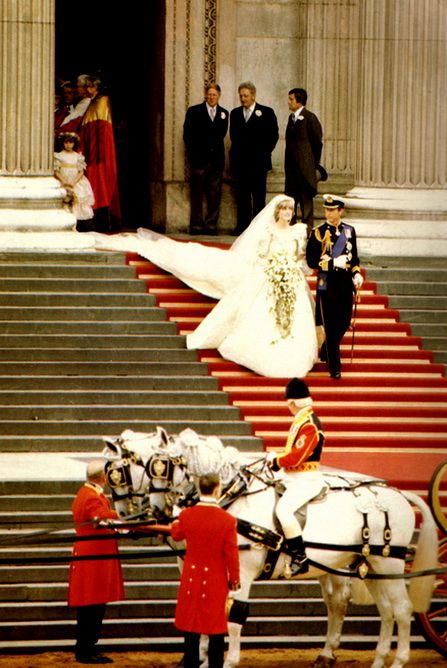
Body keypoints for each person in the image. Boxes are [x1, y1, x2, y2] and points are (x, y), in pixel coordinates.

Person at [90, 194, 318, 378]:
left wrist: (291, 269)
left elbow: (301, 259)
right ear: (277, 212)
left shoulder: (297, 233)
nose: (288, 213)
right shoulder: (268, 232)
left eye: (290, 210)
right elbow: (261, 257)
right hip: (269, 276)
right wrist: (275, 268)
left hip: (291, 280)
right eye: (285, 209)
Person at [170, 473, 240, 668]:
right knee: (216, 630)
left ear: (200, 489)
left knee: (191, 628)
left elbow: (176, 534)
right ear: (218, 490)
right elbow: (232, 555)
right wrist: (234, 581)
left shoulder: (187, 515)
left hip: (192, 578)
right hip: (215, 580)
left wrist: (177, 517)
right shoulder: (227, 520)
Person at [68, 460, 124, 664]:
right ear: (103, 476)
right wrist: (124, 516)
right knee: (92, 606)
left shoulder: (89, 493)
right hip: (94, 558)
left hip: (95, 556)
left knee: (93, 605)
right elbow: (101, 517)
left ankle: (88, 646)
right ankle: (85, 648)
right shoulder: (91, 496)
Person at [267, 378, 325, 576]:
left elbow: (297, 456)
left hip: (306, 479)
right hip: (294, 476)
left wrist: (276, 460)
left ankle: (300, 557)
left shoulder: (309, 424)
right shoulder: (301, 420)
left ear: (292, 402)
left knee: (283, 510)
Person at [306, 194, 364, 379]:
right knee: (330, 324)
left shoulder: (349, 231)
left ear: (341, 211)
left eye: (332, 210)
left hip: (345, 282)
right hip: (326, 281)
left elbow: (354, 258)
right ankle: (335, 366)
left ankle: (326, 348)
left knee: (344, 322)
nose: (328, 213)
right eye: (326, 209)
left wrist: (356, 273)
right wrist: (332, 264)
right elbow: (311, 261)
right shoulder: (318, 232)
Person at [229, 82, 279, 235]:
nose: (243, 99)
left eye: (246, 95)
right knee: (242, 197)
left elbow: (273, 136)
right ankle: (242, 227)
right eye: (241, 96)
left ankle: (258, 228)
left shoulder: (267, 112)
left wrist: (262, 154)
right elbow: (234, 137)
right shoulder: (235, 113)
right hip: (241, 164)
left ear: (253, 95)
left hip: (258, 164)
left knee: (258, 197)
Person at [183, 83, 229, 235]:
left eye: (214, 94)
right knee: (196, 194)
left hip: (216, 161)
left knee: (214, 195)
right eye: (209, 94)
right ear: (205, 95)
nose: (211, 97)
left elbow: (220, 135)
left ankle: (211, 225)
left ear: (219, 96)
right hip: (198, 161)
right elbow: (187, 136)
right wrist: (193, 156)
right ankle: (196, 225)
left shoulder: (224, 113)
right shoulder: (194, 111)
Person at [79, 76, 121, 233]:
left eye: (90, 87)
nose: (87, 90)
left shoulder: (102, 101)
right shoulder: (93, 102)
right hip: (92, 151)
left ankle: (104, 221)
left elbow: (101, 129)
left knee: (101, 184)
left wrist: (95, 154)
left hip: (99, 153)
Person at [284, 88, 326, 236]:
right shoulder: (291, 119)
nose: (288, 102)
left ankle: (308, 235)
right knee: (291, 205)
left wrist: (311, 165)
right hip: (292, 171)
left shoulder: (310, 118)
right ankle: (291, 234)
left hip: (305, 171)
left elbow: (317, 143)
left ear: (299, 100)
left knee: (306, 206)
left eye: (291, 99)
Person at [54, 131, 95, 232]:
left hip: (75, 181)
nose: (68, 145)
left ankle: (75, 226)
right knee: (64, 201)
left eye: (71, 142)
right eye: (66, 142)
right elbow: (56, 171)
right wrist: (64, 181)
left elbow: (81, 172)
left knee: (76, 201)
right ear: (63, 143)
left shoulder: (78, 156)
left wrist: (73, 182)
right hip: (63, 180)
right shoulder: (59, 155)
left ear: (74, 143)